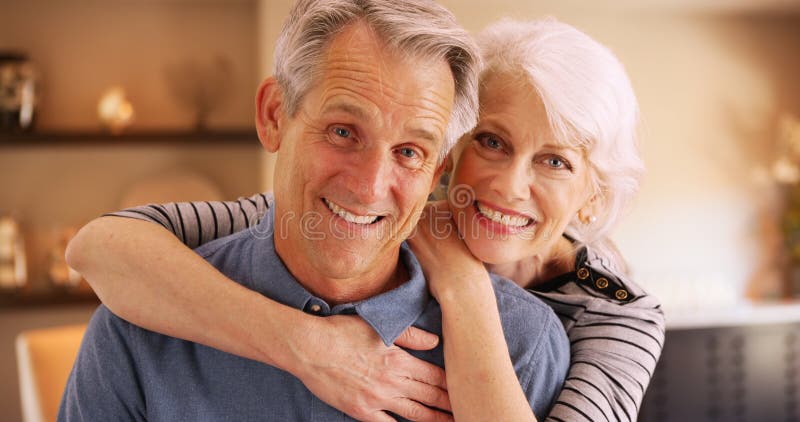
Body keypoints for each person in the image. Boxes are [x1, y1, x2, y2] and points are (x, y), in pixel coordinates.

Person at [65, 15, 664, 422]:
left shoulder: (609, 320)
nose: (508, 185)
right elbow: (103, 246)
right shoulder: (309, 219)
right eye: (492, 143)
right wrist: (306, 346)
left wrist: (463, 285)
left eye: (555, 161)